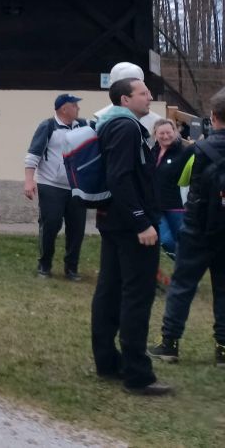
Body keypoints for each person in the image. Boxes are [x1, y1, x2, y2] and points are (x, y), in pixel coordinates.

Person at [91, 77, 172, 395]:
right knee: (136, 296)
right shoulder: (125, 128)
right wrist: (142, 223)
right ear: (125, 100)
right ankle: (138, 375)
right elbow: (120, 178)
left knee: (109, 291)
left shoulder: (111, 125)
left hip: (113, 222)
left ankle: (107, 362)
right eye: (143, 93)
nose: (149, 97)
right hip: (131, 227)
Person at [149, 87, 225, 367]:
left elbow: (184, 184)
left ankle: (169, 344)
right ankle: (223, 350)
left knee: (182, 286)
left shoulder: (198, 150)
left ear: (213, 116)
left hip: (197, 230)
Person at [24, 93, 89, 280]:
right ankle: (44, 265)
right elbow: (33, 154)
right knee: (51, 224)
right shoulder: (48, 126)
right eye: (74, 105)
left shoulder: (84, 125)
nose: (78, 108)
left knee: (77, 228)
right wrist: (29, 180)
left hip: (77, 187)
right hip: (50, 184)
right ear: (64, 109)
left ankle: (71, 268)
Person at [148, 119, 193, 260]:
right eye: (161, 133)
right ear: (155, 134)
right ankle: (184, 265)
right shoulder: (153, 151)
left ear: (175, 132)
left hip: (177, 206)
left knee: (182, 241)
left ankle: (185, 268)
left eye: (169, 132)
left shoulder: (183, 152)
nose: (165, 136)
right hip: (156, 206)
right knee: (166, 240)